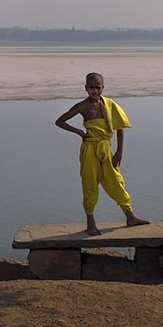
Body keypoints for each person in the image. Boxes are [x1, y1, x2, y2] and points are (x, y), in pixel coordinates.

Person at [55, 72, 150, 235]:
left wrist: (119, 152)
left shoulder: (110, 105)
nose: (95, 91)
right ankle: (90, 221)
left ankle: (130, 215)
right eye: (91, 88)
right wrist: (79, 132)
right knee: (89, 183)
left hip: (106, 149)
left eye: (98, 88)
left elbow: (120, 127)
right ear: (86, 88)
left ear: (103, 88)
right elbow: (60, 121)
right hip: (90, 149)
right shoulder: (82, 106)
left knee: (116, 180)